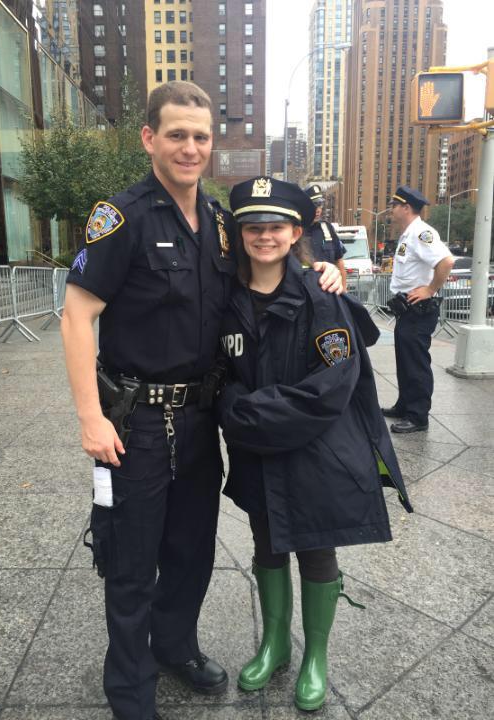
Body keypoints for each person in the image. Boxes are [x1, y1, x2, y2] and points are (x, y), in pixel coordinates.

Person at [61, 81, 343, 720]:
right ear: (149, 138)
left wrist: (319, 270)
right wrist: (89, 418)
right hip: (133, 423)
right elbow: (77, 317)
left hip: (199, 418)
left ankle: (175, 648)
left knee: (192, 551)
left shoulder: (218, 221)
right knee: (131, 562)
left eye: (201, 137)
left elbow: (266, 265)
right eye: (177, 135)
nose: (190, 148)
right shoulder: (122, 216)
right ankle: (130, 689)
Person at [217, 176, 412, 713]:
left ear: (294, 232)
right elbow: (217, 370)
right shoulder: (226, 298)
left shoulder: (320, 294)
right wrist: (232, 407)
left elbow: (332, 385)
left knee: (316, 549)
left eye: (275, 226)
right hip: (255, 451)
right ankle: (275, 644)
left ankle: (315, 657)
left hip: (312, 450)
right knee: (266, 543)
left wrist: (247, 413)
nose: (264, 236)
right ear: (240, 235)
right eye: (253, 227)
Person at [382, 186, 454, 434]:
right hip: (407, 309)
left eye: (394, 206)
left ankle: (418, 416)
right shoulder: (408, 235)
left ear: (406, 208)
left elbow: (446, 261)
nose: (391, 210)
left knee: (415, 363)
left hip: (419, 308)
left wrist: (430, 289)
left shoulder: (422, 233)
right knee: (405, 361)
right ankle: (404, 405)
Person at [303, 183, 347, 290]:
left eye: (320, 204)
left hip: (329, 292)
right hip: (305, 292)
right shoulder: (296, 232)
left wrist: (344, 290)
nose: (318, 209)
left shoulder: (327, 229)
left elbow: (339, 262)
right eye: (314, 205)